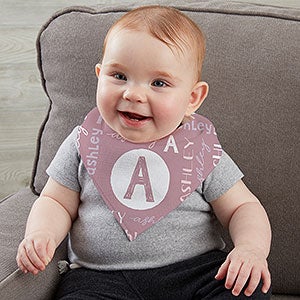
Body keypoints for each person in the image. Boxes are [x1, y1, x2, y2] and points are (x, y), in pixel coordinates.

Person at [16, 5, 272, 299]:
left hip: (195, 273)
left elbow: (243, 208)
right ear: (100, 76)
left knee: (247, 293)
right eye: (119, 76)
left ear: (192, 98)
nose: (133, 94)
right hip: (100, 279)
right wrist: (41, 234)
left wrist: (250, 249)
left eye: (159, 83)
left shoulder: (199, 148)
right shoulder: (83, 142)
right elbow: (55, 202)